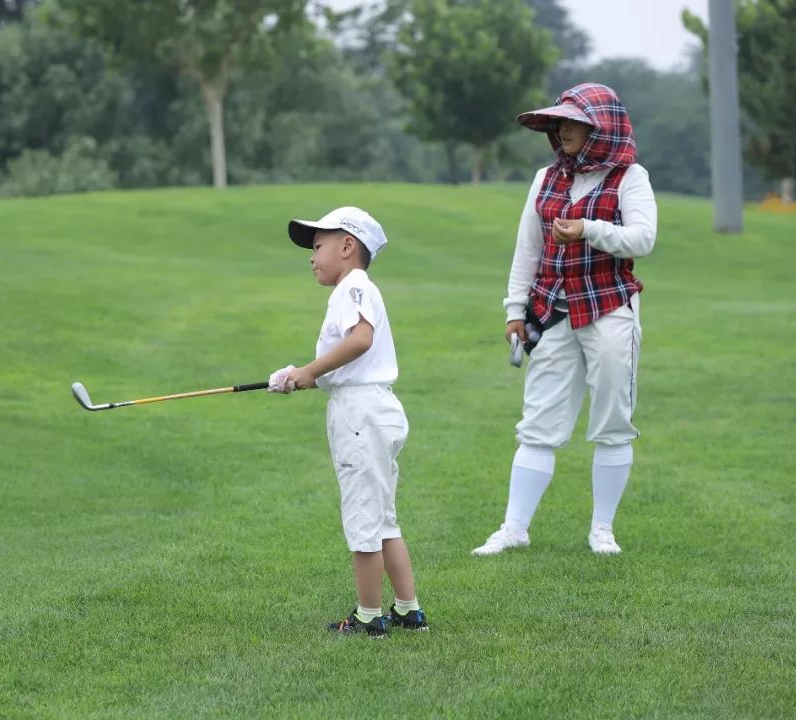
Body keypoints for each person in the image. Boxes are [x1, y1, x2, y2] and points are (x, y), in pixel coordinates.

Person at [472, 83, 657, 557]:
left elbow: (642, 239)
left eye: (575, 122)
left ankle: (602, 530)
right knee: (537, 423)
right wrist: (515, 310)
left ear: (601, 130)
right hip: (552, 312)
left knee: (613, 422)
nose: (563, 130)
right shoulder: (545, 178)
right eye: (560, 121)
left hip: (609, 310)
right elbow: (527, 249)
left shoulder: (630, 178)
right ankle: (514, 529)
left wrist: (589, 230)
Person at [268, 206, 427, 636]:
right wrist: (297, 376)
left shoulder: (352, 286)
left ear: (347, 245)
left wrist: (311, 371)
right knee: (382, 517)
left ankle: (368, 617)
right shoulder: (355, 289)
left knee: (363, 519)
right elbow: (345, 365)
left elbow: (360, 339)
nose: (311, 255)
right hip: (371, 408)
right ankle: (408, 610)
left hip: (362, 414)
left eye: (318, 245)